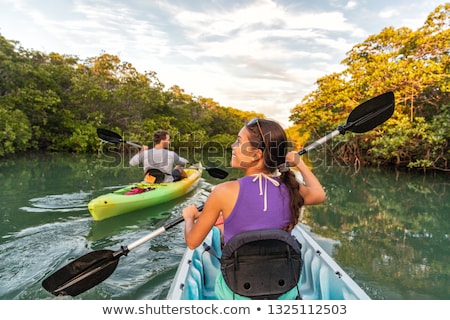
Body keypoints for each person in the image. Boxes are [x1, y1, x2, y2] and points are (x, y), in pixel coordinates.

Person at [182, 118, 326, 299]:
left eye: (239, 142)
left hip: (236, 293)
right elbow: (319, 194)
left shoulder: (223, 192)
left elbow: (193, 242)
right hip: (284, 290)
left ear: (256, 155)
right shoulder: (291, 188)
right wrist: (299, 163)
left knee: (219, 231)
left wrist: (189, 217)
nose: (233, 147)